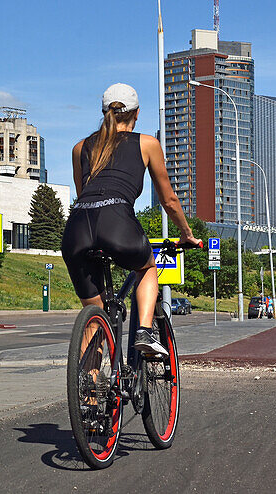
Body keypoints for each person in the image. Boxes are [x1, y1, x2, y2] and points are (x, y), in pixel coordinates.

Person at [62, 83, 199, 357]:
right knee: (146, 267)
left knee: (95, 318)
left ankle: (88, 393)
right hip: (117, 222)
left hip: (76, 229)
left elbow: (82, 194)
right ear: (137, 114)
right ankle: (145, 332)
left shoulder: (80, 148)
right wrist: (187, 234)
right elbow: (169, 200)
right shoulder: (147, 144)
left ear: (104, 113)